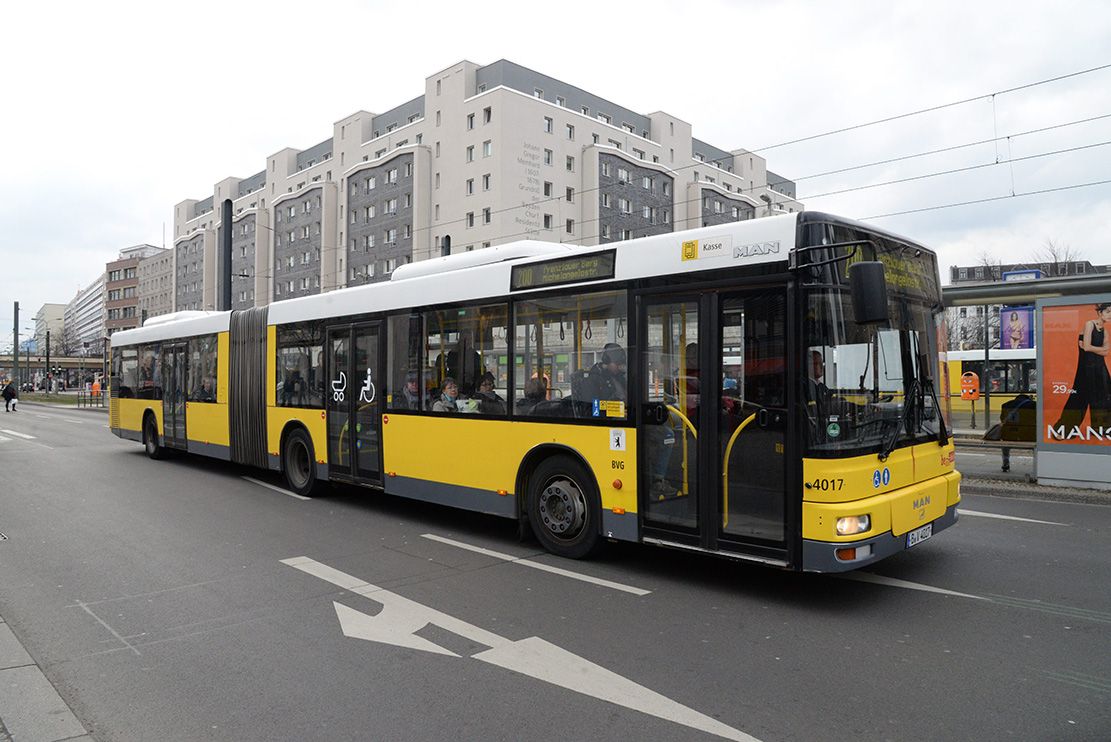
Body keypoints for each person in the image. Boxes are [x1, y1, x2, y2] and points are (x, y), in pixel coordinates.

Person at [1053, 302, 1111, 431]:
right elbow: (1089, 347)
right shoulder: (1089, 324)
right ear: (1100, 312)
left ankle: (1103, 429)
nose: (1110, 315)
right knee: (1079, 398)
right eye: (1108, 311)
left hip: (1100, 368)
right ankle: (1064, 429)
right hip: (1086, 367)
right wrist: (1097, 349)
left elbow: (1104, 351)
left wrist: (1090, 348)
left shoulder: (1105, 331)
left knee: (1105, 398)